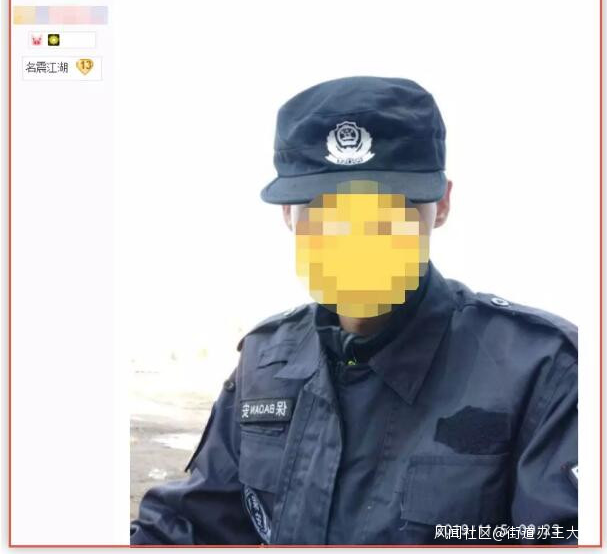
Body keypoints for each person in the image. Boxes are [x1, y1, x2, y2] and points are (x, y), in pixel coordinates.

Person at [130, 76, 577, 545]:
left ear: (441, 204)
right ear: (289, 216)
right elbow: (193, 524)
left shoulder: (544, 375)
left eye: (388, 214)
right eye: (327, 213)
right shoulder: (265, 362)